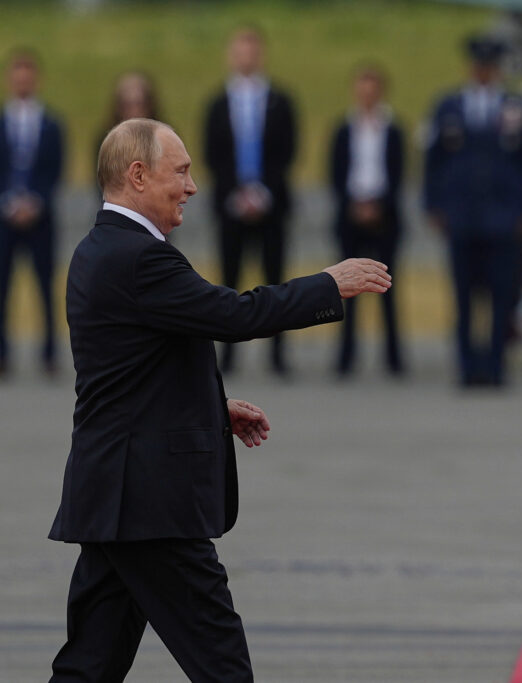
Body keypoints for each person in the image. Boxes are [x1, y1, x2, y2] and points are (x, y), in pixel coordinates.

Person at [48, 118, 391, 682]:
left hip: (116, 494)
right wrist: (328, 284)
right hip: (149, 503)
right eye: (180, 172)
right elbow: (233, 314)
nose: (192, 187)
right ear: (138, 175)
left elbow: (129, 370)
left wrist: (210, 406)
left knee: (89, 667)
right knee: (222, 666)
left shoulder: (100, 248)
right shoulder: (139, 256)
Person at [424, 35, 522, 387]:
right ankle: (467, 366)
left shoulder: (515, 107)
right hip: (462, 216)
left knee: (501, 296)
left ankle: (495, 365)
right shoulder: (449, 106)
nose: (484, 72)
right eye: (479, 65)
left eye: (489, 66)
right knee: (463, 296)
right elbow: (433, 161)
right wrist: (433, 205)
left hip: (502, 218)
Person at [203, 25, 297, 375]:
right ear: (231, 55)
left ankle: (278, 355)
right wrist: (238, 194)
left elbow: (287, 150)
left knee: (276, 283)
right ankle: (227, 355)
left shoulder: (280, 100)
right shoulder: (217, 103)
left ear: (261, 54)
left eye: (252, 50)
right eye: (240, 50)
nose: (246, 57)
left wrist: (262, 192)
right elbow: (213, 154)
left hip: (271, 204)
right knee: (228, 282)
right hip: (231, 205)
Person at [330, 64, 405, 376]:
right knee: (346, 287)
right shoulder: (344, 128)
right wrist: (353, 205)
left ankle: (394, 358)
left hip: (384, 216)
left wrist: (379, 206)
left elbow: (398, 173)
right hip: (351, 214)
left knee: (387, 288)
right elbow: (335, 172)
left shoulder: (393, 129)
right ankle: (346, 357)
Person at [0, 47, 63, 376]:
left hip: (40, 218)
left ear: (36, 79)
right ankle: (2, 353)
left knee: (45, 284)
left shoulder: (51, 123)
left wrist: (35, 201)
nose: (23, 81)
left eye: (28, 75)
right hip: (4, 218)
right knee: (2, 285)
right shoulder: (2, 121)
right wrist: (8, 201)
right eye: (17, 75)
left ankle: (49, 352)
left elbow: (56, 168)